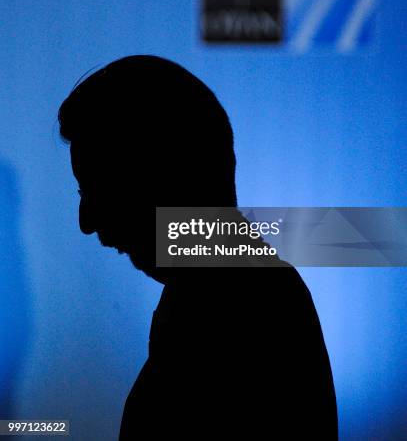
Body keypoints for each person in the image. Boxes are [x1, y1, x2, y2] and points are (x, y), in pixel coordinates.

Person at [58, 55, 338, 439]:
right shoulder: (247, 298)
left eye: (99, 188)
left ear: (165, 175)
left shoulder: (236, 315)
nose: (86, 221)